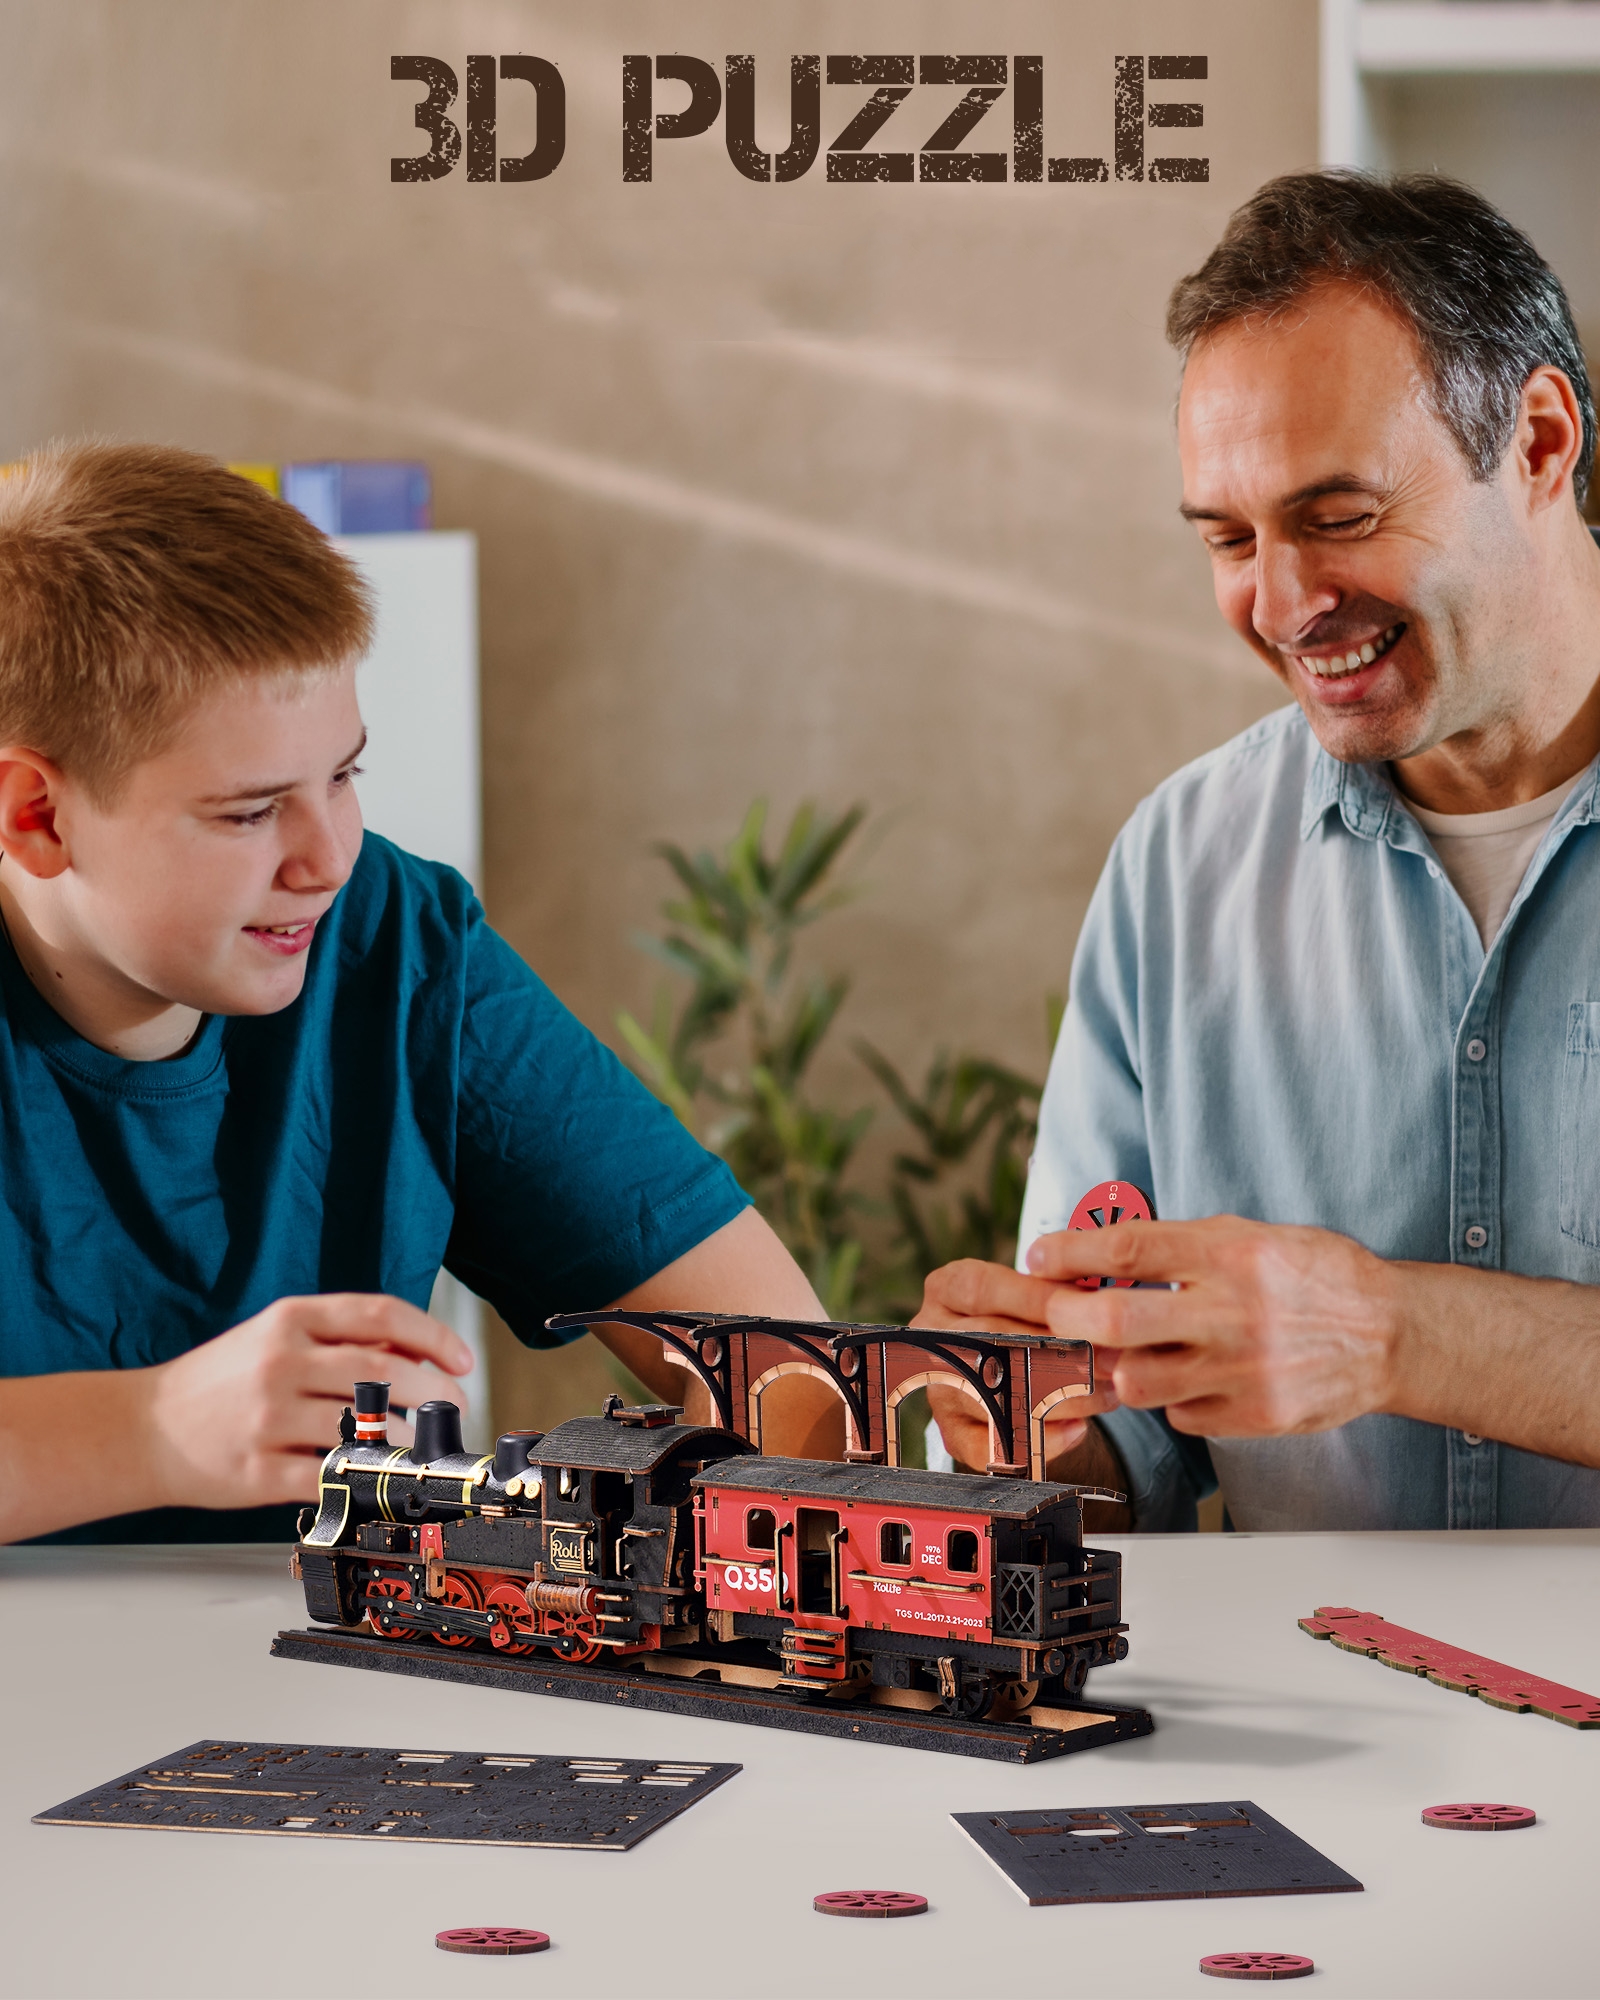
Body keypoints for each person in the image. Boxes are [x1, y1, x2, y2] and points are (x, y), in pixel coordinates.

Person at [918, 171, 1600, 1531]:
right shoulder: (1178, 868)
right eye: (1230, 539)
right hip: (1307, 1676)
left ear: (1535, 442)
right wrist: (1034, 1433)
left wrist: (1392, 1332)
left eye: (1338, 516)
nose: (1282, 605)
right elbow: (1124, 1474)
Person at [0, 442, 827, 1547]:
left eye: (345, 774)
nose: (328, 859)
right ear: (36, 815)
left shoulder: (401, 940)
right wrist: (152, 1432)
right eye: (250, 813)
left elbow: (787, 1369)